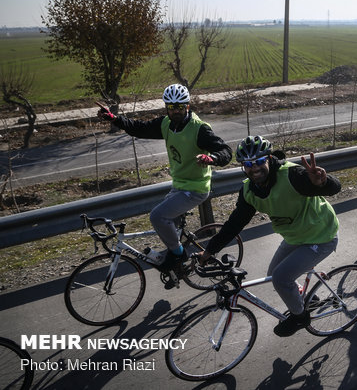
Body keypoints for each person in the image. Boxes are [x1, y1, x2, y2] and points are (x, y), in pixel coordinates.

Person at [198, 136, 341, 337]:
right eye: (248, 164)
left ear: (269, 158)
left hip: (321, 235)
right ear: (243, 167)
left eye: (258, 161)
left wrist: (324, 182)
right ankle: (309, 300)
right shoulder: (249, 190)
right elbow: (235, 224)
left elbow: (334, 188)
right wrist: (210, 250)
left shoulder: (292, 174)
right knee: (275, 273)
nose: (254, 168)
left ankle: (300, 317)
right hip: (295, 237)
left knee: (281, 278)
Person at [97, 84, 232, 285]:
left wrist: (212, 158)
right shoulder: (166, 124)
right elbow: (140, 128)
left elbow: (226, 151)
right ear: (166, 107)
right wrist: (116, 119)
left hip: (196, 188)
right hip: (178, 185)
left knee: (158, 216)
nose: (175, 111)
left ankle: (180, 256)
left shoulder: (199, 129)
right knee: (167, 230)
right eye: (171, 107)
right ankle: (177, 270)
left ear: (187, 106)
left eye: (180, 107)